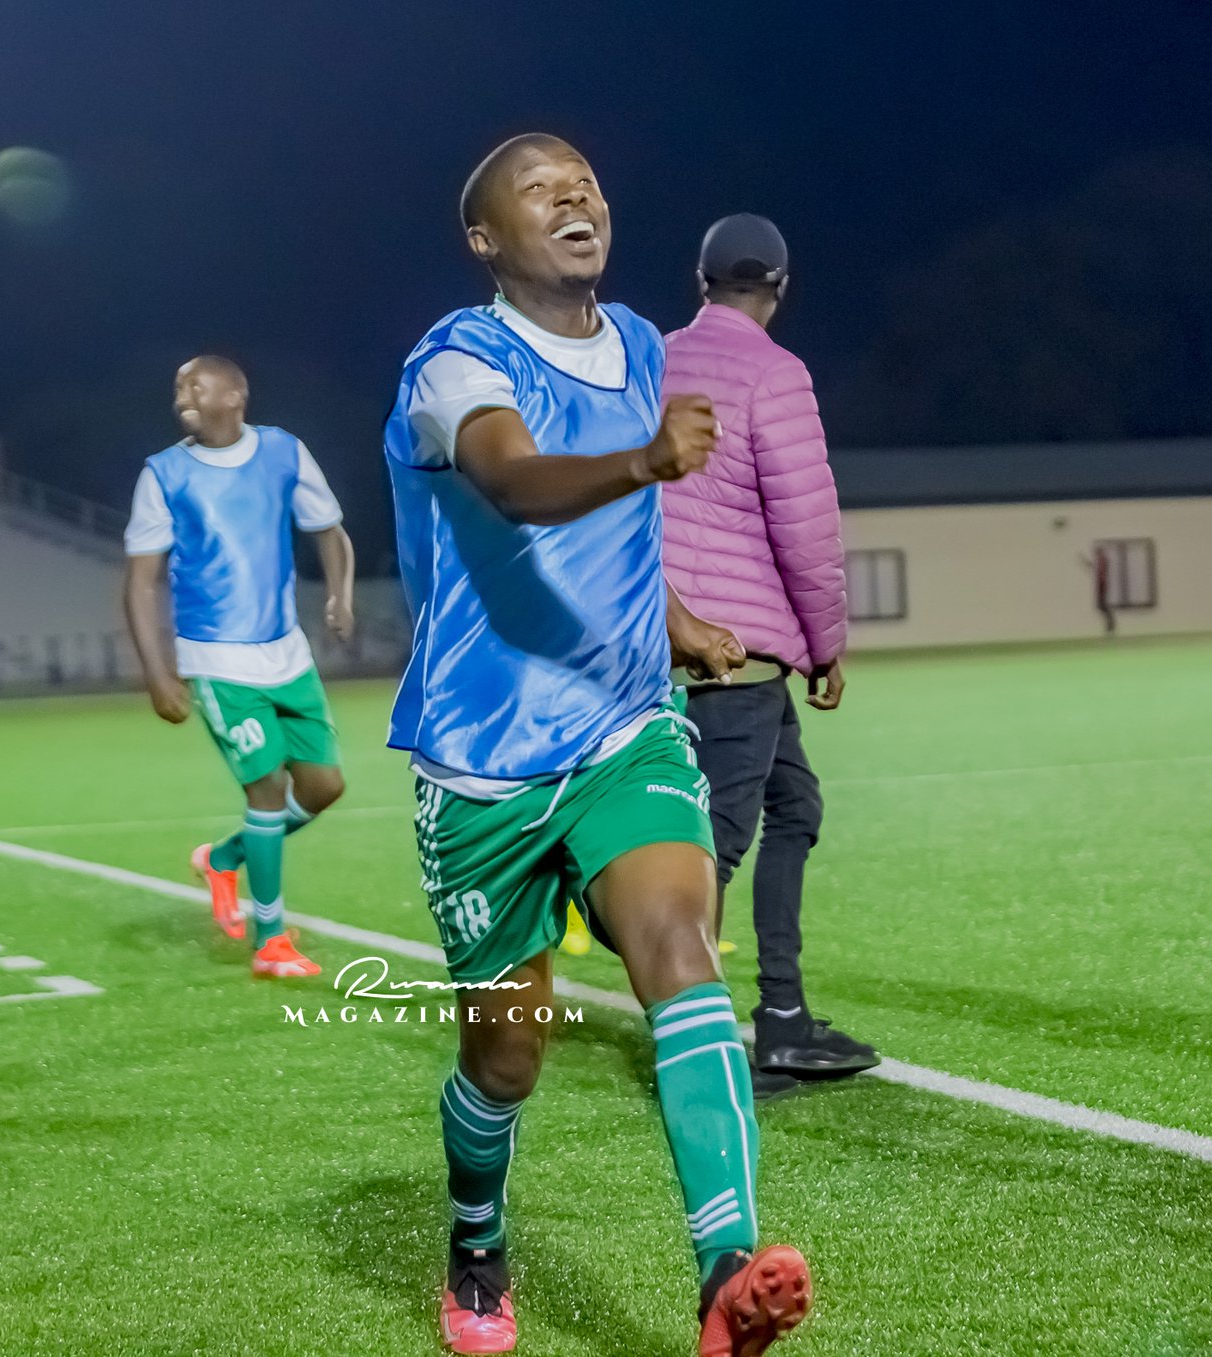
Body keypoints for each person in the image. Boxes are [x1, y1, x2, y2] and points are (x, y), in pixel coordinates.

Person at [385, 134, 812, 1357]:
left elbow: (614, 536)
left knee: (680, 948)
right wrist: (644, 458)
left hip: (626, 727)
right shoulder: (454, 364)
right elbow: (516, 483)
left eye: (584, 180)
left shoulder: (636, 344)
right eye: (538, 188)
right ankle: (476, 1236)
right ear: (485, 238)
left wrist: (675, 624)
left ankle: (725, 1271)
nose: (573, 194)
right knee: (507, 1057)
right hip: (482, 762)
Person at [661, 215, 878, 1099]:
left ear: (701, 281)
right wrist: (827, 644)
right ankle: (697, 1042)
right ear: (781, 287)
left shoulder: (651, 359)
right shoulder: (776, 373)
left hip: (662, 636)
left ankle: (783, 1017)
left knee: (795, 805)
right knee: (713, 843)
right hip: (736, 652)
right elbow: (805, 525)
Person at [122, 356, 354, 979]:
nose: (182, 395)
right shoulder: (164, 475)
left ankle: (223, 859)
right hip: (216, 658)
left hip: (288, 654)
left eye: (194, 385)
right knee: (268, 788)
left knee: (325, 787)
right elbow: (141, 582)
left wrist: (339, 595)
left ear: (235, 395)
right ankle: (270, 940)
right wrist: (158, 674)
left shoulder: (283, 453)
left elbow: (330, 530)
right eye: (178, 386)